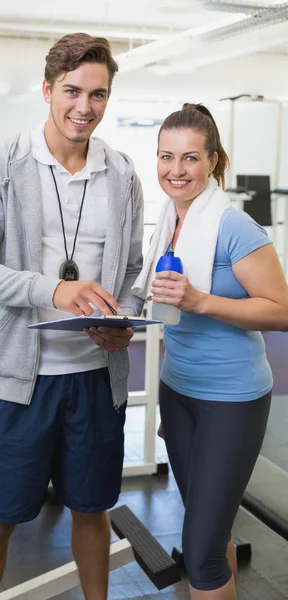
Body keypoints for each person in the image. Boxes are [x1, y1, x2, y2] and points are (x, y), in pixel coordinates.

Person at [0, 33, 144, 600]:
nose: (84, 107)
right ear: (46, 90)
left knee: (92, 509)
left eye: (99, 94)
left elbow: (131, 270)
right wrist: (50, 292)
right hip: (18, 383)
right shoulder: (0, 165)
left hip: (95, 379)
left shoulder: (124, 173)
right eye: (72, 91)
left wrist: (125, 319)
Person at [133, 103, 288, 600]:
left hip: (232, 398)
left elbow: (282, 311)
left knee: (199, 551)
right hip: (180, 393)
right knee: (211, 534)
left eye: (190, 158)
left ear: (214, 161)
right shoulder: (167, 221)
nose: (175, 171)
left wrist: (202, 301)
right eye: (165, 156)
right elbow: (167, 317)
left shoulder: (233, 227)